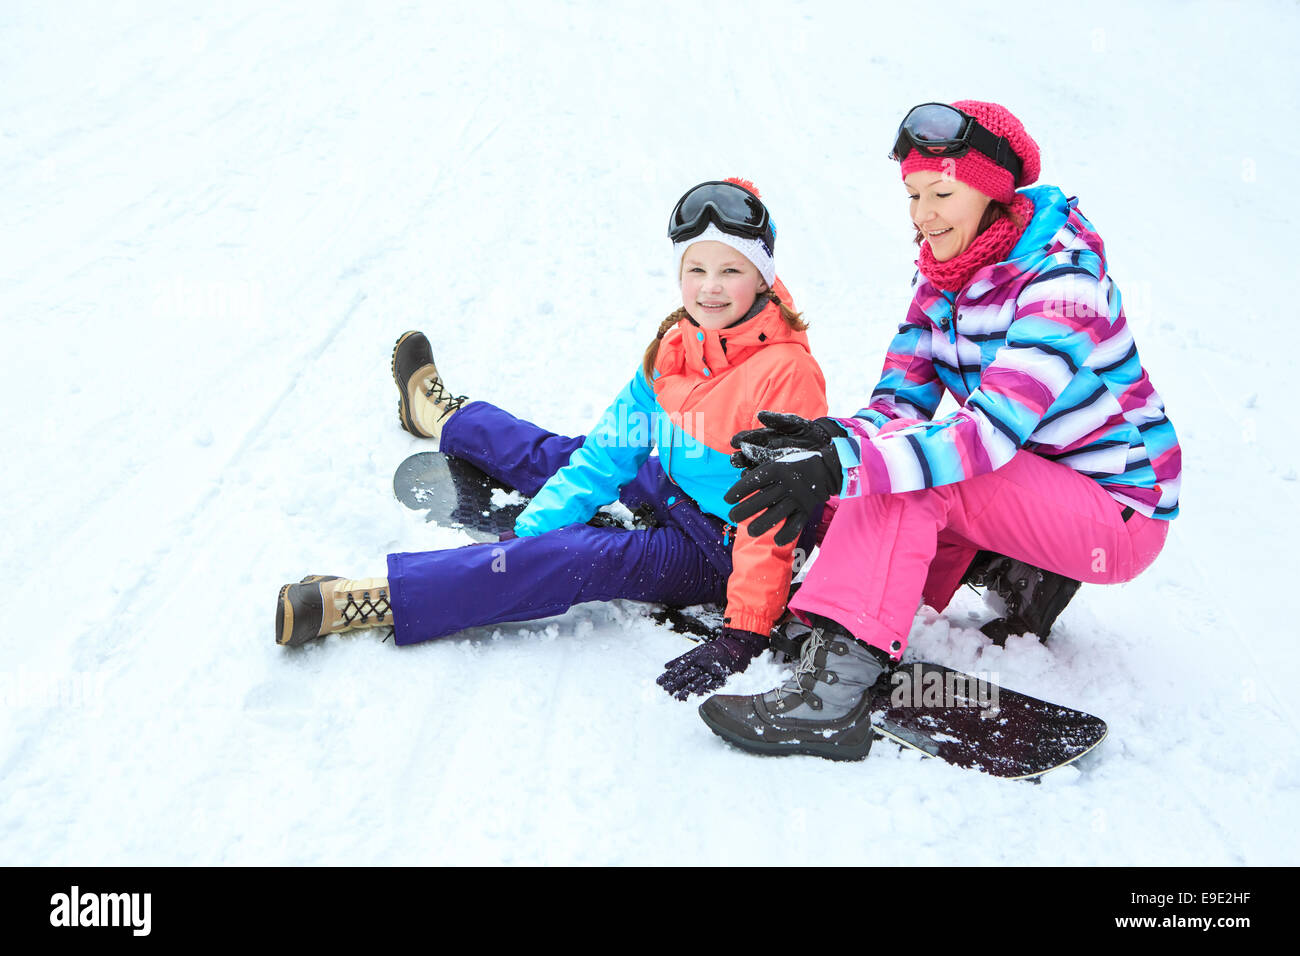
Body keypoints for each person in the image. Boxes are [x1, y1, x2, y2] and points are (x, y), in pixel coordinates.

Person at [699, 101, 1182, 760]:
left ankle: (831, 697)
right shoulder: (941, 278)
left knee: (912, 479)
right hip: (1035, 482)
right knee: (874, 472)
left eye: (942, 193)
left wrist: (850, 461)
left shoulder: (1064, 284)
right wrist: (823, 443)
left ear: (992, 191)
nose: (922, 213)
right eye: (912, 194)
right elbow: (897, 404)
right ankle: (1000, 576)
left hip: (1117, 511)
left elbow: (987, 437)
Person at [275, 178, 828, 699]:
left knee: (581, 556)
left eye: (731, 270)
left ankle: (374, 599)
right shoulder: (676, 346)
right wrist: (533, 525)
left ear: (762, 277)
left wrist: (746, 627)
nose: (709, 287)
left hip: (721, 547)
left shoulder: (786, 374)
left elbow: (773, 517)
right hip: (676, 491)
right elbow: (611, 447)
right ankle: (442, 417)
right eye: (696, 268)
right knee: (566, 457)